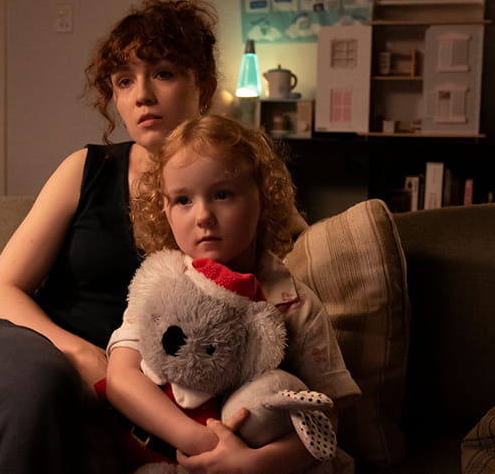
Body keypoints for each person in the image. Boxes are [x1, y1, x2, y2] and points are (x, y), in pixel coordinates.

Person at [0, 0, 222, 474]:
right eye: (124, 81)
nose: (142, 96)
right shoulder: (87, 168)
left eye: (163, 73)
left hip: (124, 396)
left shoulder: (233, 189)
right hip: (25, 345)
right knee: (31, 388)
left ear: (205, 84)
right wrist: (78, 353)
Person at [105, 114, 361, 473]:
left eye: (222, 194)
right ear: (164, 209)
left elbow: (327, 418)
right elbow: (121, 380)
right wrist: (202, 443)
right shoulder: (159, 285)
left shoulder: (294, 303)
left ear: (263, 200)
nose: (203, 216)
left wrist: (251, 463)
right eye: (183, 200)